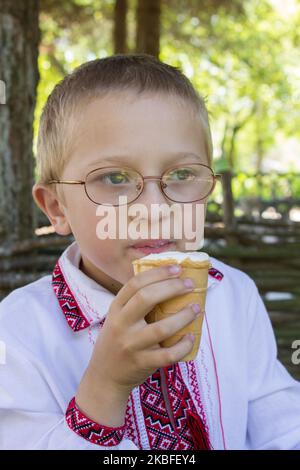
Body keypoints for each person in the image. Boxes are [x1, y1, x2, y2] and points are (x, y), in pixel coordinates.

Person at [0, 53, 299, 450]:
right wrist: (105, 386)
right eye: (114, 178)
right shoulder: (17, 333)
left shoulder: (233, 294)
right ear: (57, 207)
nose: (156, 210)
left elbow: (278, 420)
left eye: (181, 175)